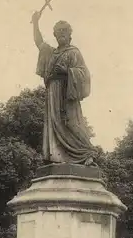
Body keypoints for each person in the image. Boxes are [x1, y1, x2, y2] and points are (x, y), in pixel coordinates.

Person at [32, 11, 96, 165]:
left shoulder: (73, 52)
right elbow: (39, 43)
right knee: (54, 123)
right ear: (54, 35)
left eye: (64, 32)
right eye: (58, 32)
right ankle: (57, 156)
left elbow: (84, 74)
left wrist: (67, 71)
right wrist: (35, 23)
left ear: (69, 35)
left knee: (71, 122)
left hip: (68, 91)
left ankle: (87, 153)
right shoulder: (51, 53)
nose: (61, 35)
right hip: (52, 92)